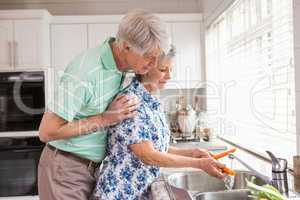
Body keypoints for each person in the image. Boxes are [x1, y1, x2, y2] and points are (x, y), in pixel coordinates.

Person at [37, 9, 169, 200]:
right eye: (149, 56)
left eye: (157, 56)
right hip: (65, 169)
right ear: (126, 47)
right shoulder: (85, 72)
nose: (154, 63)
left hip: (93, 170)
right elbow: (47, 131)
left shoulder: (122, 68)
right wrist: (104, 118)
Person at [93, 46, 225, 200]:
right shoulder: (131, 101)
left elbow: (157, 147)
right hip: (118, 194)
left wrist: (194, 153)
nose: (169, 76)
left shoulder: (151, 101)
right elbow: (148, 155)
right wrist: (200, 164)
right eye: (163, 69)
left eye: (171, 69)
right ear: (146, 68)